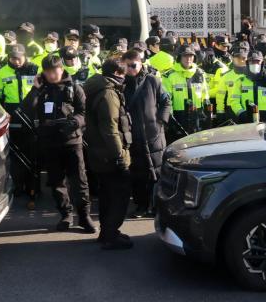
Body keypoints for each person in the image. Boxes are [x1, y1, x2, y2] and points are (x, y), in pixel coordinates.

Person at [21, 55, 96, 233]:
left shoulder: (75, 88)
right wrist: (35, 90)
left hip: (72, 141)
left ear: (61, 69)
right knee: (56, 182)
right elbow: (27, 109)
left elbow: (85, 112)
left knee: (80, 182)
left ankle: (84, 216)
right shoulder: (41, 90)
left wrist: (75, 122)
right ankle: (66, 214)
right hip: (50, 143)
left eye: (55, 71)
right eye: (47, 71)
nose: (52, 75)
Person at [83, 59, 133, 250]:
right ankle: (111, 235)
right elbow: (110, 129)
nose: (124, 77)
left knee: (107, 194)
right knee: (118, 196)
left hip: (99, 153)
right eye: (122, 73)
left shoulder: (96, 87)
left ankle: (107, 233)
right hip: (110, 154)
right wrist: (119, 155)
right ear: (116, 74)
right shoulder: (108, 94)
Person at [122, 49, 171, 218]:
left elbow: (166, 101)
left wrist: (161, 121)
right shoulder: (121, 83)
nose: (129, 69)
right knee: (138, 173)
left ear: (141, 63)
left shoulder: (153, 81)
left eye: (132, 65)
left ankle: (157, 206)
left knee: (157, 171)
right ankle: (141, 205)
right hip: (132, 135)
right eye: (126, 66)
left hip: (154, 134)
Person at [0, 44, 40, 201]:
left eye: (19, 58)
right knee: (16, 154)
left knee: (34, 153)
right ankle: (18, 186)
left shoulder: (35, 69)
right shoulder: (1, 73)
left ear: (25, 56)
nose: (16, 61)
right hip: (13, 114)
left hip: (33, 113)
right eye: (13, 58)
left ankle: (33, 187)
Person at [163, 45, 210, 138]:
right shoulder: (169, 76)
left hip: (198, 115)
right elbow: (167, 99)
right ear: (179, 57)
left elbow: (205, 94)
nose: (188, 59)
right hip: (179, 116)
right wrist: (171, 118)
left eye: (191, 56)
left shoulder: (200, 73)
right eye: (185, 56)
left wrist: (206, 112)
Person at [228, 52, 266, 124]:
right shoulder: (240, 81)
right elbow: (234, 100)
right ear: (247, 63)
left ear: (262, 63)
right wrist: (241, 113)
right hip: (246, 119)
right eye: (252, 62)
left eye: (258, 61)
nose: (255, 64)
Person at [215, 45, 250, 124]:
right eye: (238, 58)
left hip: (249, 109)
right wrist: (220, 112)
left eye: (243, 58)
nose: (241, 60)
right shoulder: (226, 76)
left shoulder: (252, 74)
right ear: (233, 58)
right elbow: (220, 96)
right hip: (231, 110)